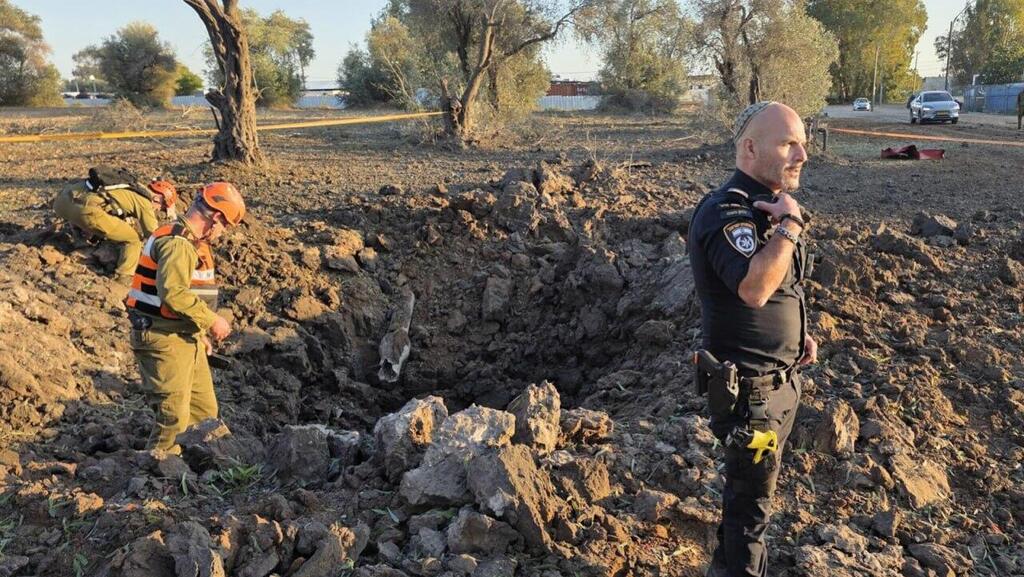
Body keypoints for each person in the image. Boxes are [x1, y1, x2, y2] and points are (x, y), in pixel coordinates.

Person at [687, 101, 818, 577]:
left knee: (750, 501)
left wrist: (798, 336)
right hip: (751, 398)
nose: (802, 154)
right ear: (749, 148)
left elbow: (786, 285)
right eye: (788, 143)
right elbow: (755, 288)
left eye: (802, 142)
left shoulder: (771, 206)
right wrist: (790, 225)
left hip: (780, 382)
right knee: (749, 513)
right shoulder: (727, 211)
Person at [125, 182, 244, 453]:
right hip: (162, 338)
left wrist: (198, 333)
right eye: (225, 226)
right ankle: (158, 474)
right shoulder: (177, 243)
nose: (222, 234)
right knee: (174, 418)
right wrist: (211, 320)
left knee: (204, 412)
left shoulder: (190, 241)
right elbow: (174, 293)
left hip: (184, 335)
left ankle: (197, 470)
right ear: (216, 218)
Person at [53, 166, 178, 284]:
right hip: (85, 212)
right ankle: (124, 277)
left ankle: (79, 240)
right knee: (133, 239)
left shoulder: (128, 186)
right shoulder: (144, 201)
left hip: (61, 202)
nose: (158, 210)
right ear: (158, 198)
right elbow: (152, 234)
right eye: (161, 207)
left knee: (104, 219)